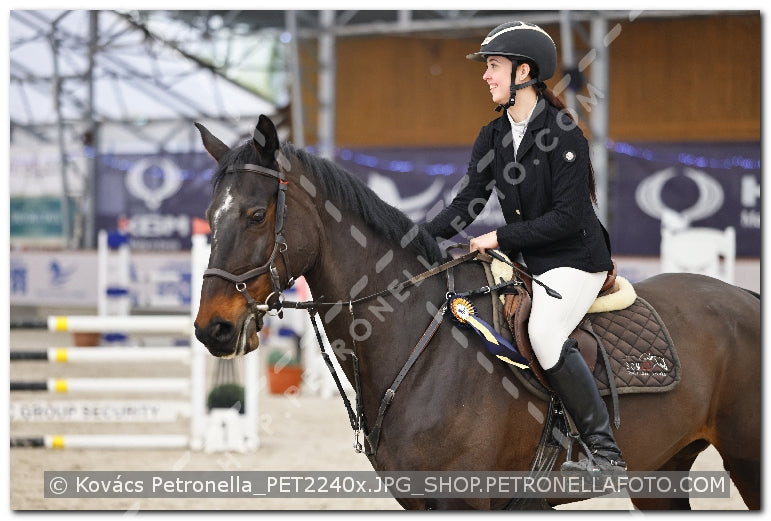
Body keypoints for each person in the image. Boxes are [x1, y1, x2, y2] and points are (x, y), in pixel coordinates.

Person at [422, 21, 626, 474]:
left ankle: (605, 452)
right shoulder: (492, 137)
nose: (485, 76)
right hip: (532, 263)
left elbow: (569, 217)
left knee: (544, 333)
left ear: (523, 73)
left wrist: (501, 238)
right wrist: (420, 237)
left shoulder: (564, 131)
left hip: (576, 261)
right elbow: (468, 202)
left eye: (493, 66)